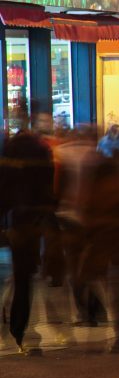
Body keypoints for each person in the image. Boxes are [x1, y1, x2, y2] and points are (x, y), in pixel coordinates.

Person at [0, 111, 57, 355]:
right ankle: (20, 327)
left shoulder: (8, 149)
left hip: (13, 217)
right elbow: (48, 186)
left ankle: (14, 325)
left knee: (18, 274)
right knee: (25, 276)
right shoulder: (41, 149)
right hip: (33, 218)